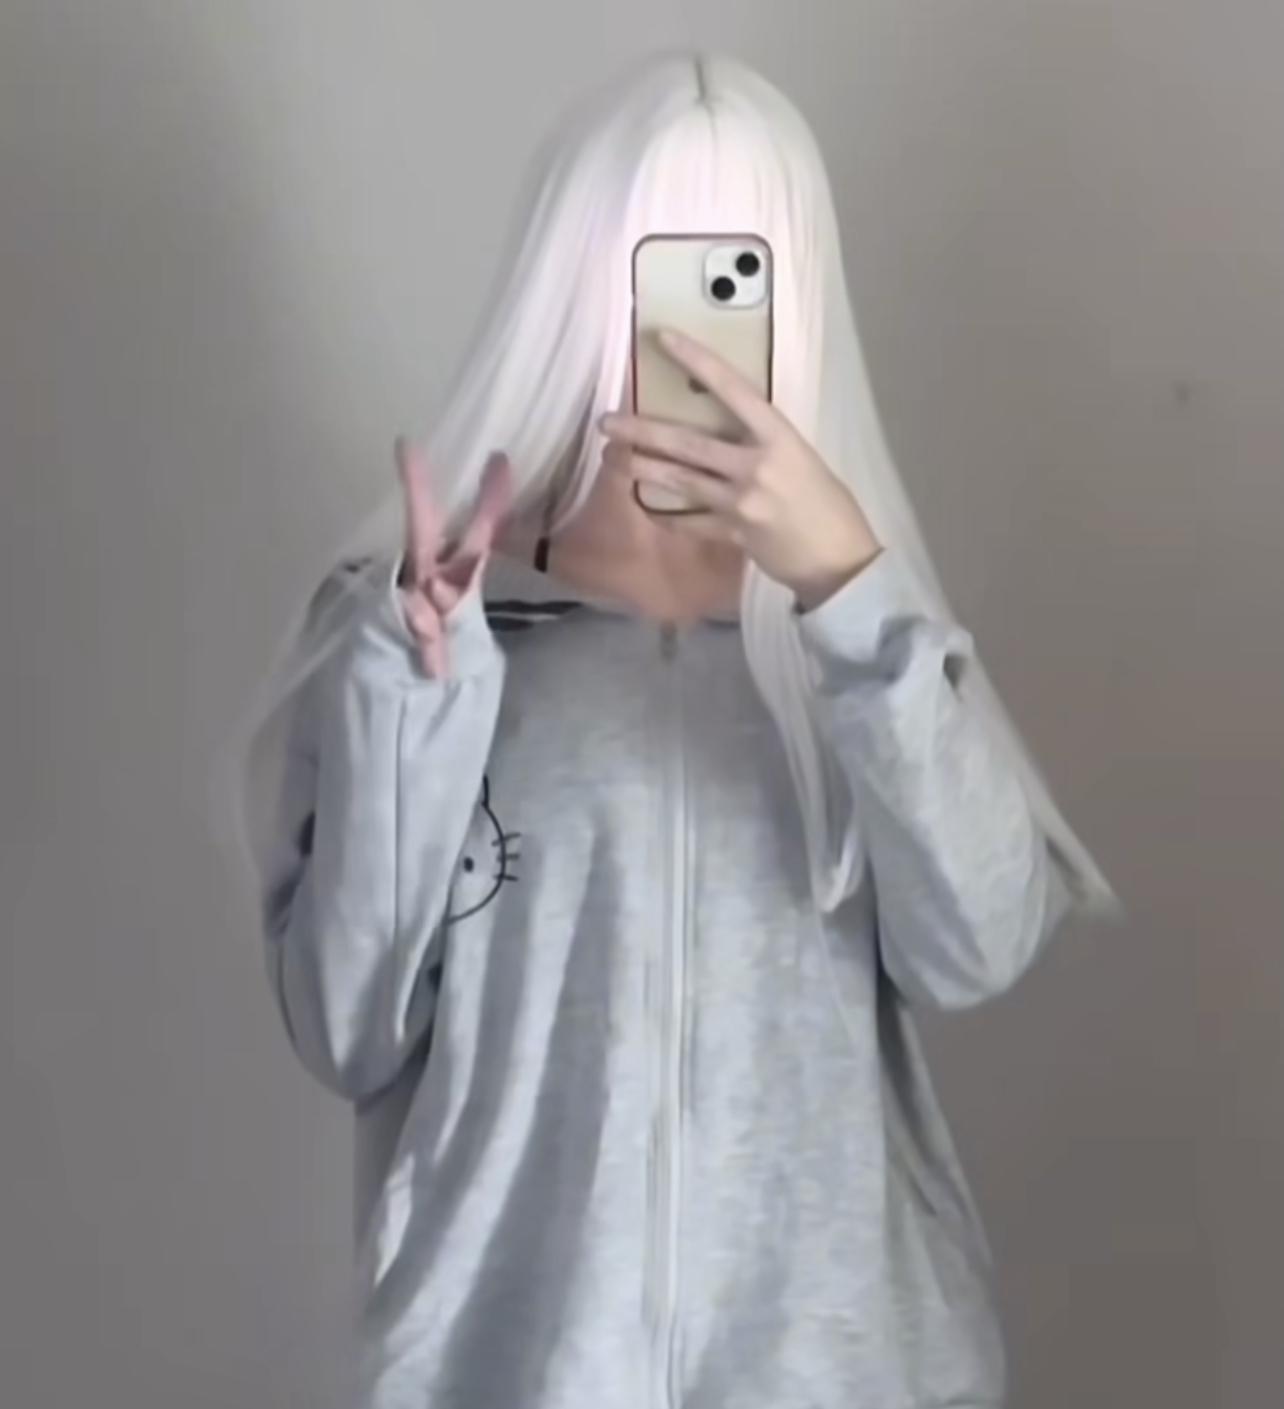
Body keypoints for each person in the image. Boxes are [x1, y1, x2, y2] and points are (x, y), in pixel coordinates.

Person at [236, 53, 1114, 1409]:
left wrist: (851, 596)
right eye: (660, 264)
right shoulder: (420, 627)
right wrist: (411, 700)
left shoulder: (856, 638)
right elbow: (345, 1030)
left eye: (735, 270)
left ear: (796, 287)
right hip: (508, 1375)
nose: (693, 333)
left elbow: (979, 947)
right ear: (577, 271)